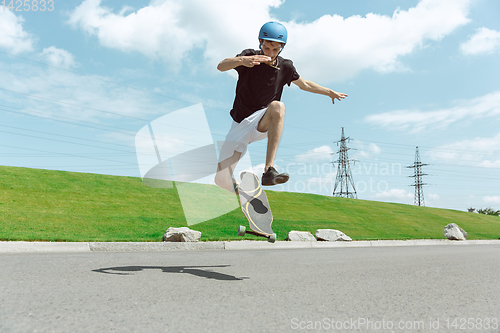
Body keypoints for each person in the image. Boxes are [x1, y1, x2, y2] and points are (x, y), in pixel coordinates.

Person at [215, 21, 347, 194]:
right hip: (240, 123)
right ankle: (236, 190)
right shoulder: (249, 57)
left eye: (275, 50)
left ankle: (268, 170)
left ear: (282, 48)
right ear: (260, 42)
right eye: (267, 48)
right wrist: (242, 60)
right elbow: (221, 66)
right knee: (221, 178)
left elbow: (305, 84)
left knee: (278, 106)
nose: (270, 54)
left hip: (262, 120)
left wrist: (329, 92)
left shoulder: (285, 66)